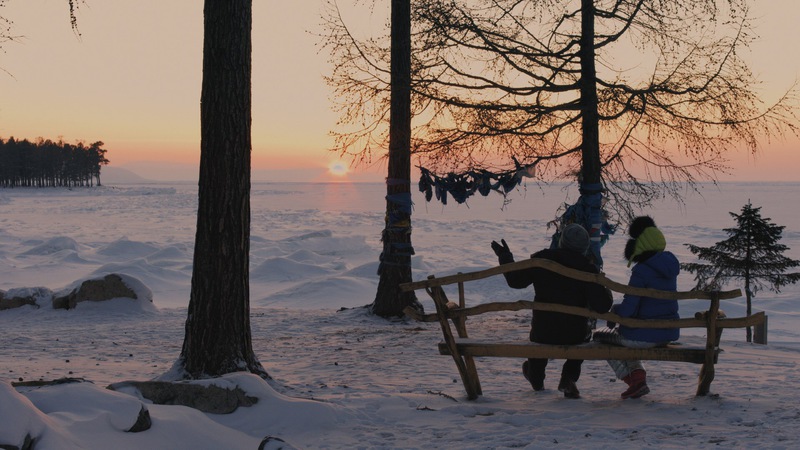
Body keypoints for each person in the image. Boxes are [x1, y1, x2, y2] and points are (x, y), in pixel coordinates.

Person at [491, 223, 612, 399]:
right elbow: (602, 306)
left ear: (562, 242)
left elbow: (515, 281)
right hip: (575, 334)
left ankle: (536, 376)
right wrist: (604, 285)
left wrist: (505, 257)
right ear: (584, 248)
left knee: (539, 337)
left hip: (543, 331)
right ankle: (568, 378)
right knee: (584, 338)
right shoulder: (587, 269)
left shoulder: (542, 262)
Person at [593, 216, 680, 399]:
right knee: (626, 337)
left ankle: (633, 380)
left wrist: (615, 312)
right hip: (667, 333)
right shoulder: (669, 265)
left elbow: (629, 310)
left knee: (600, 338)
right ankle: (637, 378)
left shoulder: (642, 271)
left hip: (643, 336)